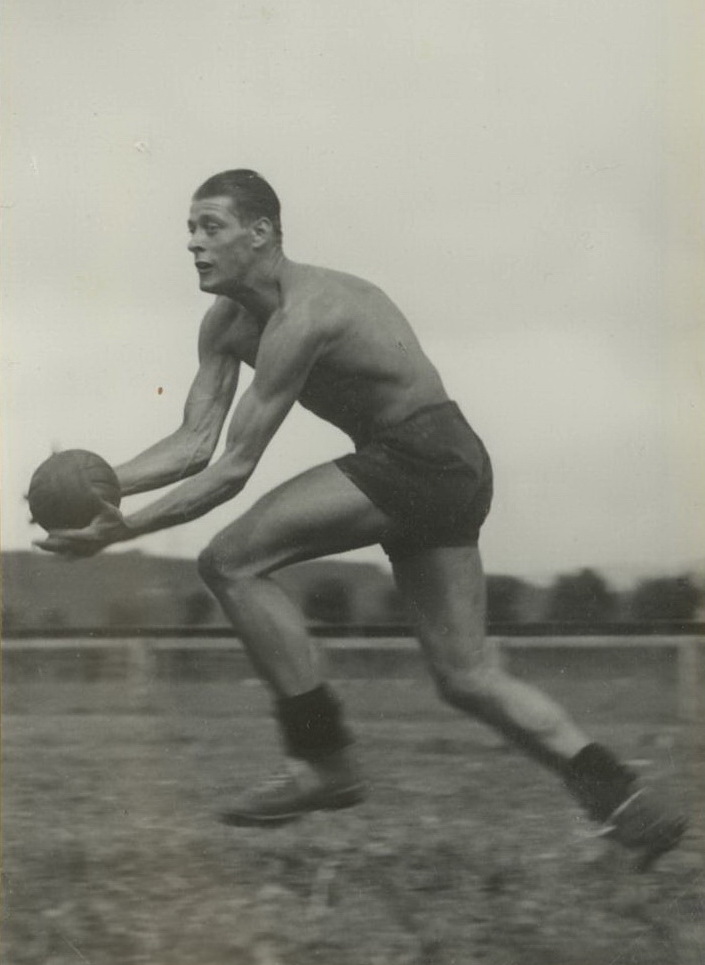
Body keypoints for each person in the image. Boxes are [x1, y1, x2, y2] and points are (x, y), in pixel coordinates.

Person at [38, 169, 685, 868]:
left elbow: (231, 468)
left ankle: (323, 760)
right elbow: (195, 441)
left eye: (210, 227)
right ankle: (622, 799)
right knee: (466, 675)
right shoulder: (226, 324)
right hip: (443, 465)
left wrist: (119, 531)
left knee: (229, 559)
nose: (192, 243)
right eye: (190, 229)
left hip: (424, 455)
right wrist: (108, 483)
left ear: (260, 234)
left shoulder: (304, 314)